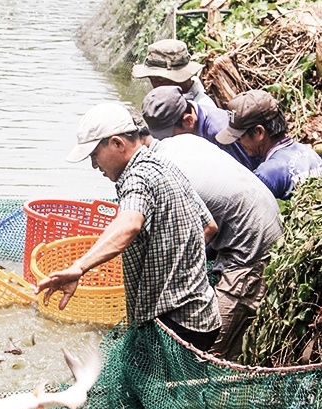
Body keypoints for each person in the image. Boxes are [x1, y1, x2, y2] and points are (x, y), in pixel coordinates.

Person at [36, 103, 221, 351]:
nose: (93, 165)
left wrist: (78, 267)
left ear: (117, 144)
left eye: (94, 155)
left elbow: (130, 224)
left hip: (174, 326)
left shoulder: (137, 177)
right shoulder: (165, 165)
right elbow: (208, 226)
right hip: (202, 316)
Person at [131, 109, 283, 360]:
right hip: (268, 224)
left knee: (206, 351)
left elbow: (207, 229)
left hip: (251, 253)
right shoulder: (182, 141)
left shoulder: (164, 173)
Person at [215, 89, 322, 200]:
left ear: (259, 132)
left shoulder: (267, 174)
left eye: (240, 137)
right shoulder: (309, 153)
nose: (239, 143)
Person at [141, 85, 259, 172]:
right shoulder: (196, 114)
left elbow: (248, 174)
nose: (166, 141)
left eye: (169, 136)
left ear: (188, 120)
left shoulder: (218, 133)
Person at [131, 39, 217, 109]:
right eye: (151, 79)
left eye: (159, 79)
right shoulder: (168, 101)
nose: (155, 85)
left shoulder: (202, 109)